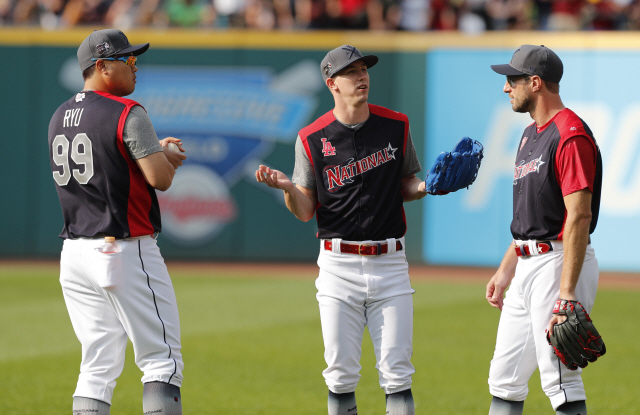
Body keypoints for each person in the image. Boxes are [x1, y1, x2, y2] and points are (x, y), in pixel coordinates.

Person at [255, 45, 427, 415]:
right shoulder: (312, 137)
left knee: (398, 375)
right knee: (340, 375)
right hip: (338, 267)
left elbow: (407, 185)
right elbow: (304, 211)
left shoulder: (396, 125)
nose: (362, 76)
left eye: (364, 69)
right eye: (352, 72)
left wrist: (428, 187)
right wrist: (287, 189)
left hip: (390, 263)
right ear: (332, 83)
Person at [48, 29, 187, 415]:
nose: (134, 65)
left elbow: (108, 165)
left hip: (74, 253)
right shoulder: (128, 112)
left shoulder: (59, 115)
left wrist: (156, 153)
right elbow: (159, 179)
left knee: (96, 366)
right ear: (102, 66)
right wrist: (167, 157)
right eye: (127, 60)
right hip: (124, 247)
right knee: (162, 361)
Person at [486, 45, 603, 415]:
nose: (507, 88)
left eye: (512, 79)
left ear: (535, 83)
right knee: (504, 379)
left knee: (560, 379)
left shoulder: (570, 135)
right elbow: (530, 214)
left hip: (558, 261)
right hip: (527, 264)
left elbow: (579, 216)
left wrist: (567, 293)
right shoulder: (529, 135)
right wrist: (508, 267)